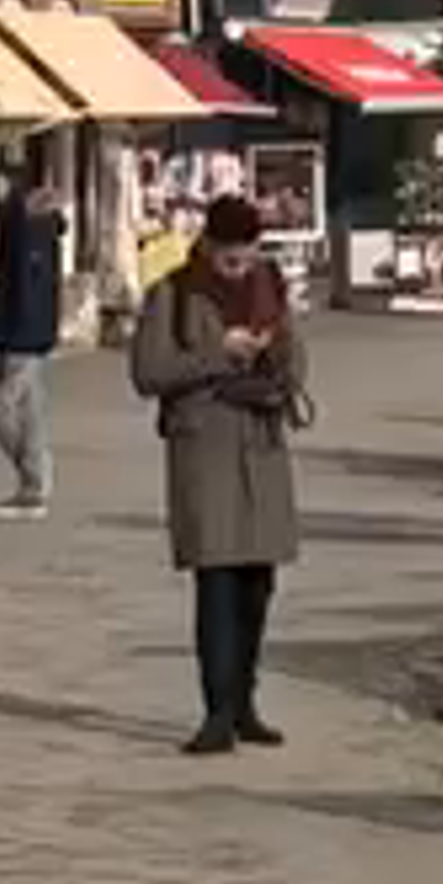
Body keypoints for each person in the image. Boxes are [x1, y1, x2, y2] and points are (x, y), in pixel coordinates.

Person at [129, 189, 306, 750]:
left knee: (258, 583)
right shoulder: (173, 295)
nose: (241, 268)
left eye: (249, 257)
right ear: (208, 247)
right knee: (217, 582)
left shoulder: (270, 289)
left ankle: (245, 703)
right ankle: (216, 710)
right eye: (231, 259)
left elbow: (298, 360)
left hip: (262, 446)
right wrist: (218, 355)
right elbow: (149, 371)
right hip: (205, 448)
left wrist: (275, 363)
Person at [0, 156, 66, 510]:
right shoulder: (21, 222)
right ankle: (32, 488)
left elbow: (29, 286)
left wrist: (26, 335)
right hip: (17, 332)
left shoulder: (29, 227)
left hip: (23, 335)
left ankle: (35, 474)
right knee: (30, 412)